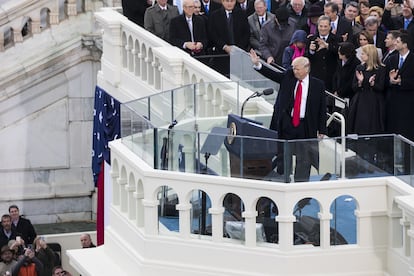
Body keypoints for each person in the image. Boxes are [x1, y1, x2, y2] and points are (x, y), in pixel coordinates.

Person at [250, 50, 327, 182]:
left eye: (297, 69)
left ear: (306, 69)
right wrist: (258, 64)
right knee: (283, 156)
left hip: (305, 126)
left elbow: (322, 109)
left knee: (304, 159)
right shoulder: (288, 76)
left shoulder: (317, 85)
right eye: (293, 68)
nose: (294, 71)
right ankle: (283, 181)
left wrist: (322, 129)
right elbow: (273, 75)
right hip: (287, 124)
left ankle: (301, 189)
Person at [385, 31, 414, 166]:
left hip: (408, 104)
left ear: (405, 44)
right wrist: (391, 81)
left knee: (407, 136)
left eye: (397, 42)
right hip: (393, 103)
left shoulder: (413, 59)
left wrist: (402, 82)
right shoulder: (391, 59)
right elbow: (385, 80)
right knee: (392, 134)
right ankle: (391, 165)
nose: (394, 44)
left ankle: (409, 166)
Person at [349, 44, 386, 134]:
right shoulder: (359, 68)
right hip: (360, 100)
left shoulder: (381, 69)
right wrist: (360, 82)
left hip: (374, 101)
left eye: (363, 54)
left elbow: (382, 87)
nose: (361, 56)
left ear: (370, 55)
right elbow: (353, 87)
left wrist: (373, 84)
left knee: (373, 126)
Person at [208, 0, 250, 75]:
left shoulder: (242, 14)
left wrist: (237, 48)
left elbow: (246, 33)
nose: (229, 3)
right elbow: (213, 34)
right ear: (223, 2)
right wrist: (225, 47)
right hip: (221, 55)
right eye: (227, 1)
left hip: (239, 54)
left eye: (232, 1)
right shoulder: (214, 15)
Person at [306, 15, 339, 91]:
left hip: (331, 78)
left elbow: (339, 53)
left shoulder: (336, 39)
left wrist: (327, 46)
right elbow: (306, 58)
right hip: (315, 77)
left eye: (325, 26)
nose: (323, 29)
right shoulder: (311, 39)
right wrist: (311, 51)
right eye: (321, 26)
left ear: (330, 27)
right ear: (317, 26)